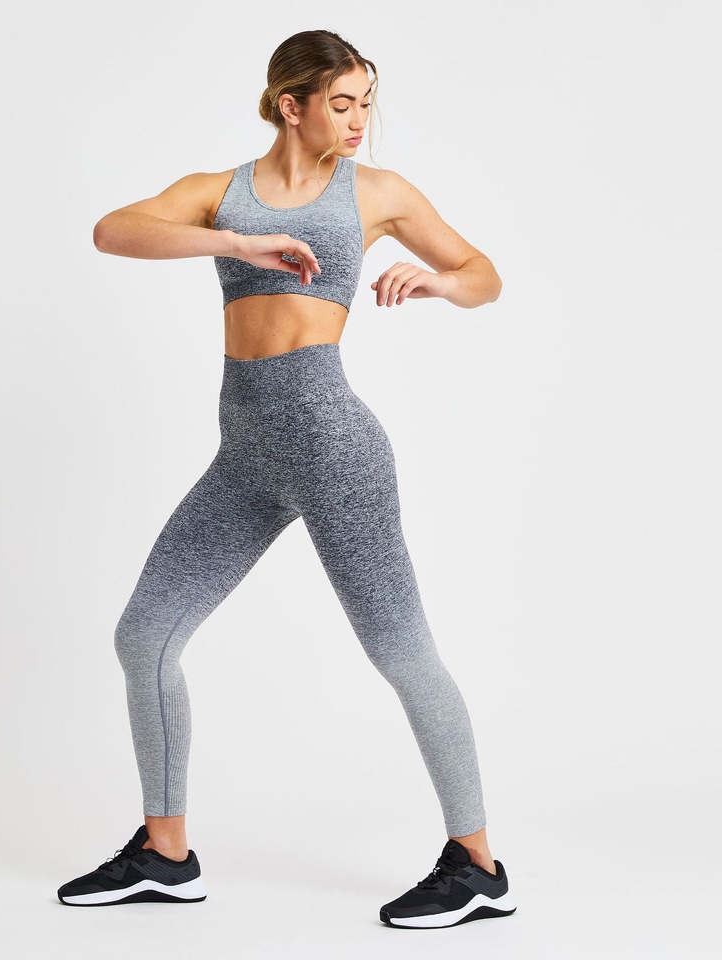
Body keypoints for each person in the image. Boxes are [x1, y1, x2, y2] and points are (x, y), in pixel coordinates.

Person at [57, 29, 515, 930]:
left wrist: (439, 284)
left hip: (333, 445)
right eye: (341, 103)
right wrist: (238, 241)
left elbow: (484, 274)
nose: (358, 119)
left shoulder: (376, 192)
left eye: (366, 102)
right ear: (289, 104)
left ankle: (477, 866)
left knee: (401, 651)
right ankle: (165, 853)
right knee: (145, 636)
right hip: (246, 451)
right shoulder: (220, 192)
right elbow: (113, 230)